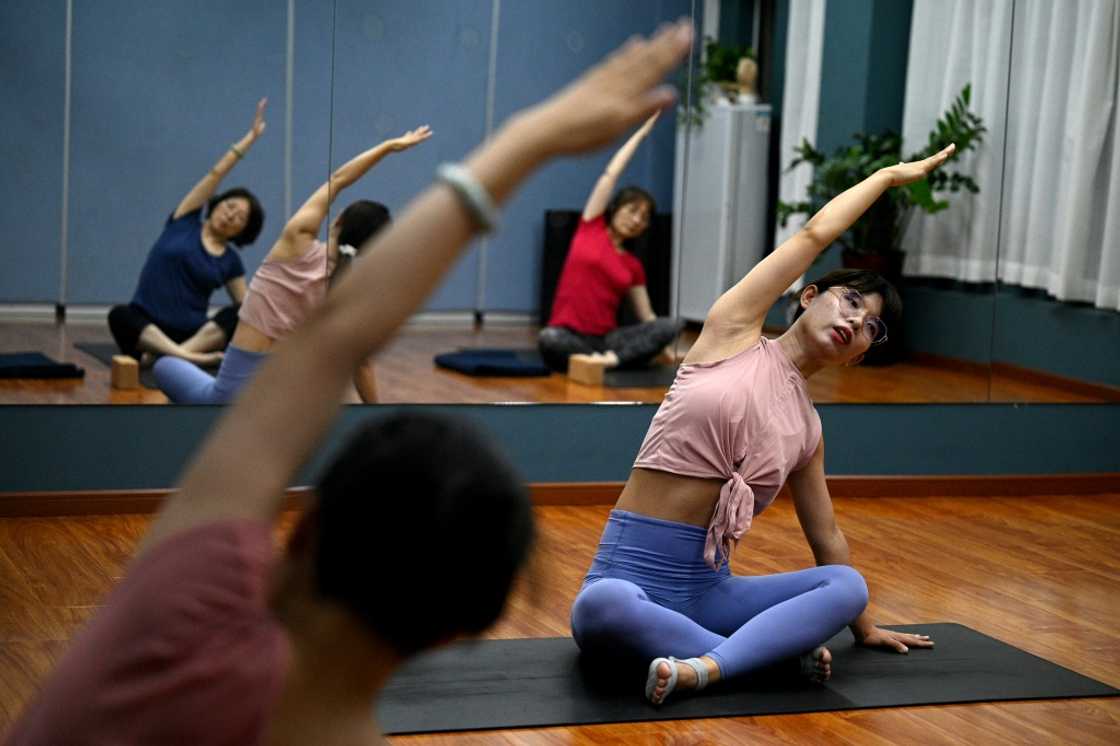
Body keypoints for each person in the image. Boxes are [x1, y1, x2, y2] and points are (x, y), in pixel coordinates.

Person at [4, 21, 695, 745]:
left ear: (302, 533)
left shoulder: (183, 603)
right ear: (451, 637)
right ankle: (171, 355)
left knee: (209, 385)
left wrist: (528, 139)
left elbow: (335, 342)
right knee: (195, 378)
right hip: (238, 370)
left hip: (248, 377)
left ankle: (173, 356)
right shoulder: (303, 240)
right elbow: (336, 339)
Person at [569, 143, 957, 705]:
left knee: (846, 585)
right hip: (630, 579)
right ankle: (759, 661)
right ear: (809, 297)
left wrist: (863, 626)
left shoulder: (808, 430)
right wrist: (887, 178)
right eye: (849, 301)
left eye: (871, 326)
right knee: (600, 607)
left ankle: (708, 667)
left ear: (859, 356)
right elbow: (812, 237)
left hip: (707, 593)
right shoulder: (732, 333)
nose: (855, 320)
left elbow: (827, 537)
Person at [152, 125, 432, 404]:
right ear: (368, 250)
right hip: (283, 402)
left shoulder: (296, 240)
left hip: (229, 401)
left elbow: (339, 179)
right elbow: (362, 365)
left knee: (164, 365)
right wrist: (375, 412)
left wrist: (388, 147)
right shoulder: (350, 293)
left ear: (338, 222)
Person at [108, 99, 268, 367]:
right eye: (230, 206)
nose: (231, 215)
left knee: (239, 314)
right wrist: (249, 140)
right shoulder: (184, 220)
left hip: (192, 334)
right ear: (217, 203)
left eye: (240, 218)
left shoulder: (230, 260)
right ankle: (184, 358)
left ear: (243, 231)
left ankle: (173, 354)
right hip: (147, 327)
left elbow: (248, 309)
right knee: (119, 315)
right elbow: (215, 175)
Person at [538, 111, 683, 373]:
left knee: (671, 324)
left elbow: (647, 317)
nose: (636, 220)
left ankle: (609, 362)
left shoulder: (633, 265)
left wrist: (662, 346)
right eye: (631, 211)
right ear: (615, 209)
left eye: (644, 217)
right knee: (549, 338)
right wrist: (640, 135)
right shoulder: (590, 227)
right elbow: (610, 175)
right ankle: (606, 362)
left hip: (607, 341)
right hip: (568, 337)